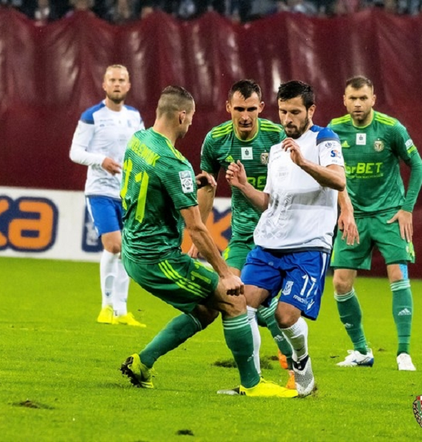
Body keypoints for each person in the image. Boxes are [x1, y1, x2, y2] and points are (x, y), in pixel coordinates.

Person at [119, 85, 296, 398]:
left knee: (205, 309)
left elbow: (156, 186)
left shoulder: (139, 140)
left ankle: (142, 363)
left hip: (133, 249)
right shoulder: (174, 163)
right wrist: (225, 273)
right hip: (157, 259)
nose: (190, 125)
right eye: (190, 119)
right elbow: (197, 227)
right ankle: (252, 385)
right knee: (234, 300)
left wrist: (193, 184)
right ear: (182, 115)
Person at [225, 80, 347, 397]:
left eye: (294, 112)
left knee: (285, 317)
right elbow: (270, 201)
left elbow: (338, 180)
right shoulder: (278, 151)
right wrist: (242, 186)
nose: (287, 119)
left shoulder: (324, 139)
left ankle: (301, 362)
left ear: (311, 110)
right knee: (240, 306)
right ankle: (250, 384)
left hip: (308, 248)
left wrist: (304, 163)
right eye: (282, 111)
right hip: (268, 245)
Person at [189, 79, 295, 387]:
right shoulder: (216, 140)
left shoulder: (277, 137)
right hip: (242, 236)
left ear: (262, 108)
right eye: (239, 109)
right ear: (228, 108)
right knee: (233, 297)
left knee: (264, 306)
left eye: (251, 109)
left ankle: (293, 367)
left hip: (278, 235)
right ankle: (256, 379)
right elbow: (208, 188)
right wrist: (200, 231)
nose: (245, 116)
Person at [328, 75, 422, 371]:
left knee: (397, 274)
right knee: (341, 283)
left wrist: (407, 209)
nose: (358, 104)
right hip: (353, 217)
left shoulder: (391, 128)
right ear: (344, 101)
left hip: (389, 214)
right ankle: (361, 352)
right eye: (352, 99)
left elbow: (417, 166)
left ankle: (404, 353)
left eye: (363, 98)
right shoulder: (333, 130)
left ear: (373, 99)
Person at [69, 64, 146, 327]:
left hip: (128, 193)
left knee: (127, 250)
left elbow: (143, 149)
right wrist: (100, 160)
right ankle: (105, 306)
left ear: (128, 85)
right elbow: (75, 152)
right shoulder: (92, 116)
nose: (116, 84)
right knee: (114, 245)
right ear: (104, 85)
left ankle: (121, 311)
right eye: (112, 80)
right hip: (100, 191)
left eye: (121, 80)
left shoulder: (135, 117)